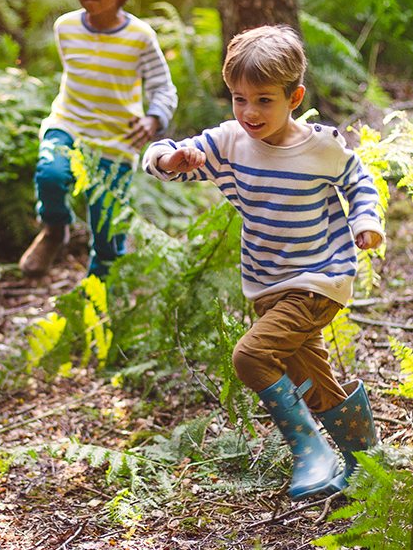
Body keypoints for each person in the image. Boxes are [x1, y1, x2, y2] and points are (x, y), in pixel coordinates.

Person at [143, 25, 384, 500]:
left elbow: (359, 181)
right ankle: (369, 465)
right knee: (312, 382)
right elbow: (158, 154)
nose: (250, 112)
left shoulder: (319, 147)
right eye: (239, 98)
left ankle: (310, 451)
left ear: (294, 96)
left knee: (251, 356)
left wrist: (365, 222)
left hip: (320, 278)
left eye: (264, 100)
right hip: (266, 283)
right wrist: (174, 160)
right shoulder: (232, 140)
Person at [18, 0, 178, 280]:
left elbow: (163, 88)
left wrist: (154, 119)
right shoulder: (66, 27)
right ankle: (54, 231)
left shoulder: (140, 37)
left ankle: (99, 303)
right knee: (51, 175)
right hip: (68, 124)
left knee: (107, 232)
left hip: (116, 143)